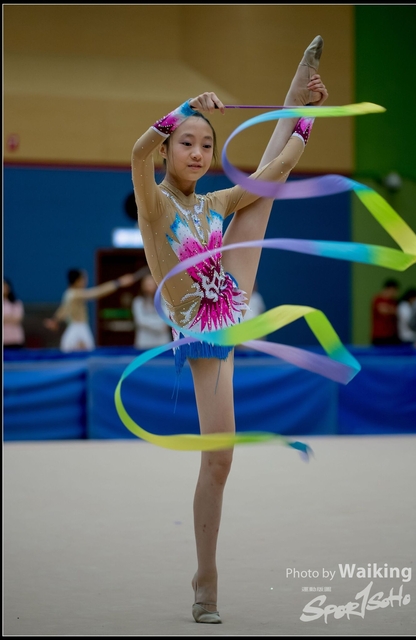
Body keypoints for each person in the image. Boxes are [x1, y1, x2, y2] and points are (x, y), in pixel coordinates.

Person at [131, 35, 328, 624]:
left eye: (206, 145)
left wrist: (308, 117)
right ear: (169, 148)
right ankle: (206, 576)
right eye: (186, 142)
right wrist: (183, 107)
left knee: (262, 197)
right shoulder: (155, 205)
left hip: (228, 298)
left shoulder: (213, 202)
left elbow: (275, 171)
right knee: (220, 462)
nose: (197, 153)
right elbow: (137, 153)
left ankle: (298, 86)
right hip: (198, 329)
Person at [44, 268, 137, 352]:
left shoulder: (68, 294)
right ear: (77, 281)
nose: (85, 281)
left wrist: (55, 320)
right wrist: (118, 283)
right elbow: (96, 293)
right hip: (79, 330)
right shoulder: (75, 294)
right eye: (83, 278)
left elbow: (63, 309)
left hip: (77, 329)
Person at [131, 271, 171, 349]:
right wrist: (159, 325)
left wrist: (149, 322)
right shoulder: (138, 302)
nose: (149, 287)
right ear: (143, 286)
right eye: (147, 284)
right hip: (144, 343)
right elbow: (140, 321)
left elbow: (166, 321)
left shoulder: (165, 301)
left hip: (162, 343)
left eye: (151, 284)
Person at [370, 278, 401, 346]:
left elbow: (397, 312)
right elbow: (383, 310)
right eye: (394, 290)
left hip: (392, 335)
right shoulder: (378, 299)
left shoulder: (394, 301)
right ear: (389, 289)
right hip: (380, 335)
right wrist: (391, 310)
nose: (395, 293)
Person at [3, 278, 25, 349]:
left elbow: (18, 318)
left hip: (15, 339)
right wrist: (10, 317)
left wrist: (5, 318)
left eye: (5, 286)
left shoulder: (16, 302)